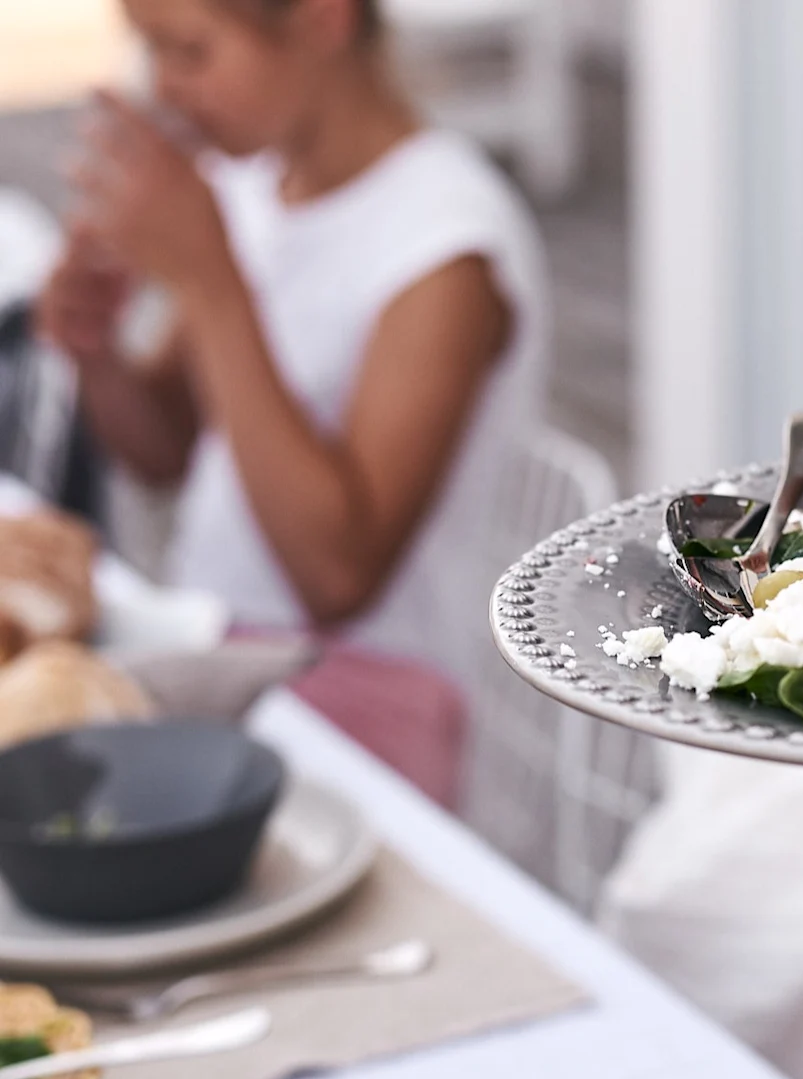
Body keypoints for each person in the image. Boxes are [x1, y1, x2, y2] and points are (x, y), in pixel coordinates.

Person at [35, 0, 546, 801]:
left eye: (190, 51)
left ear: (321, 19)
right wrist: (96, 352)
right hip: (215, 648)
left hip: (370, 701)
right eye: (149, 50)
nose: (163, 87)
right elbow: (164, 449)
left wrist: (211, 280)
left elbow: (336, 580)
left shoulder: (445, 247)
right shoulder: (251, 185)